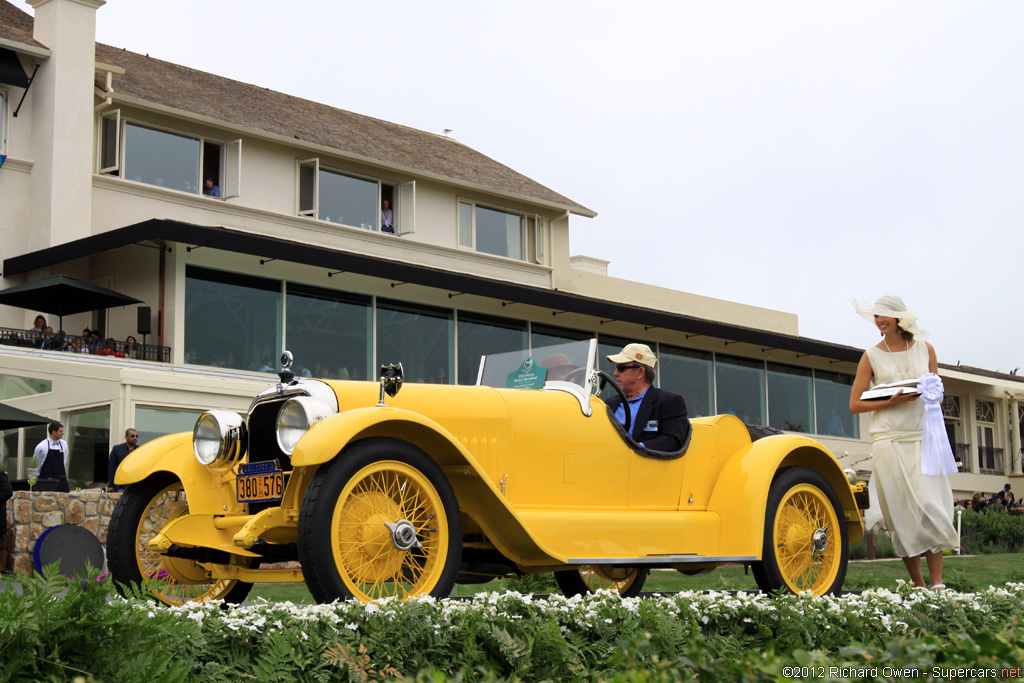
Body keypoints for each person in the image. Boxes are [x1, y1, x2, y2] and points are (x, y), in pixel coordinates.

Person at [849, 295, 957, 590]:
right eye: (876, 316)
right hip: (888, 439)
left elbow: (938, 391)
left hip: (923, 437)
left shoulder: (926, 350)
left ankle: (938, 582)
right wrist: (889, 400)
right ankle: (919, 584)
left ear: (899, 318)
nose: (879, 321)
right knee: (901, 512)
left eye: (884, 315)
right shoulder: (870, 355)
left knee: (932, 507)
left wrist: (930, 395)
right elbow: (855, 404)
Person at [604, 343, 690, 452]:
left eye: (621, 368)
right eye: (616, 368)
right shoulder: (610, 403)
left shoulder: (669, 402)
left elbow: (673, 440)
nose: (615, 373)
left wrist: (634, 449)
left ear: (640, 372)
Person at [33, 421, 70, 493]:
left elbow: (64, 461)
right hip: (46, 481)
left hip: (61, 480)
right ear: (53, 432)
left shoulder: (64, 444)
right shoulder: (42, 446)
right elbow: (37, 464)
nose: (63, 433)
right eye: (61, 431)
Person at [107, 428, 140, 493]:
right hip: (121, 487)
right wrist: (111, 485)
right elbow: (111, 468)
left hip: (135, 487)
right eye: (132, 436)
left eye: (136, 436)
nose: (135, 438)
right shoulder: (117, 449)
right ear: (126, 437)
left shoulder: (140, 450)